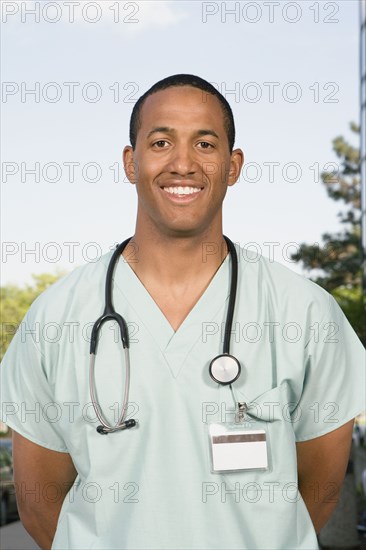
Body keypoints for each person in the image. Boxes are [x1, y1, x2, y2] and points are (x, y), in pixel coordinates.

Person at [0, 74, 365, 550]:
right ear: (131, 163)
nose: (183, 163)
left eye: (205, 144)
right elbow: (40, 504)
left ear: (233, 166)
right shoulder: (55, 319)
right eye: (161, 141)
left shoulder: (307, 314)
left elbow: (315, 495)